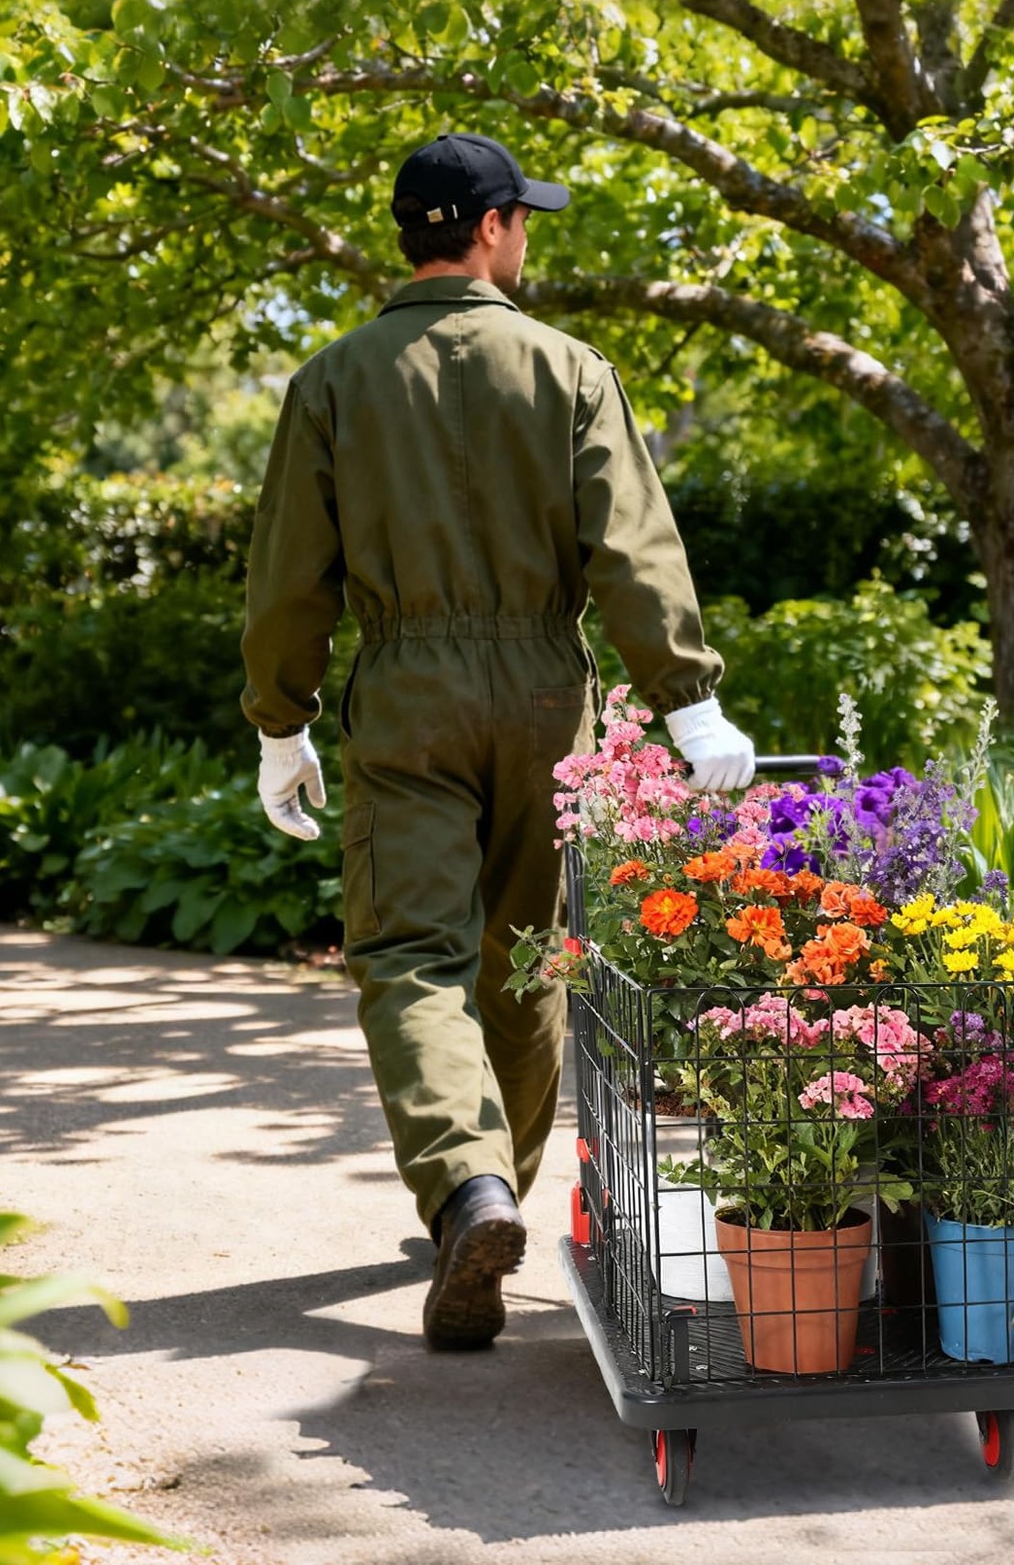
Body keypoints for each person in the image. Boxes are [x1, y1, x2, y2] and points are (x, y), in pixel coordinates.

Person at [240, 132, 756, 1350]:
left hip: (407, 691)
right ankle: (490, 1192)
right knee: (528, 958)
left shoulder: (331, 381)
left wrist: (281, 722)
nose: (526, 238)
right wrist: (687, 702)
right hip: (540, 694)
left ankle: (467, 1187)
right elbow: (630, 547)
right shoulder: (570, 369)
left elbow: (290, 580)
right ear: (487, 228)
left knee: (408, 954)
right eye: (523, 218)